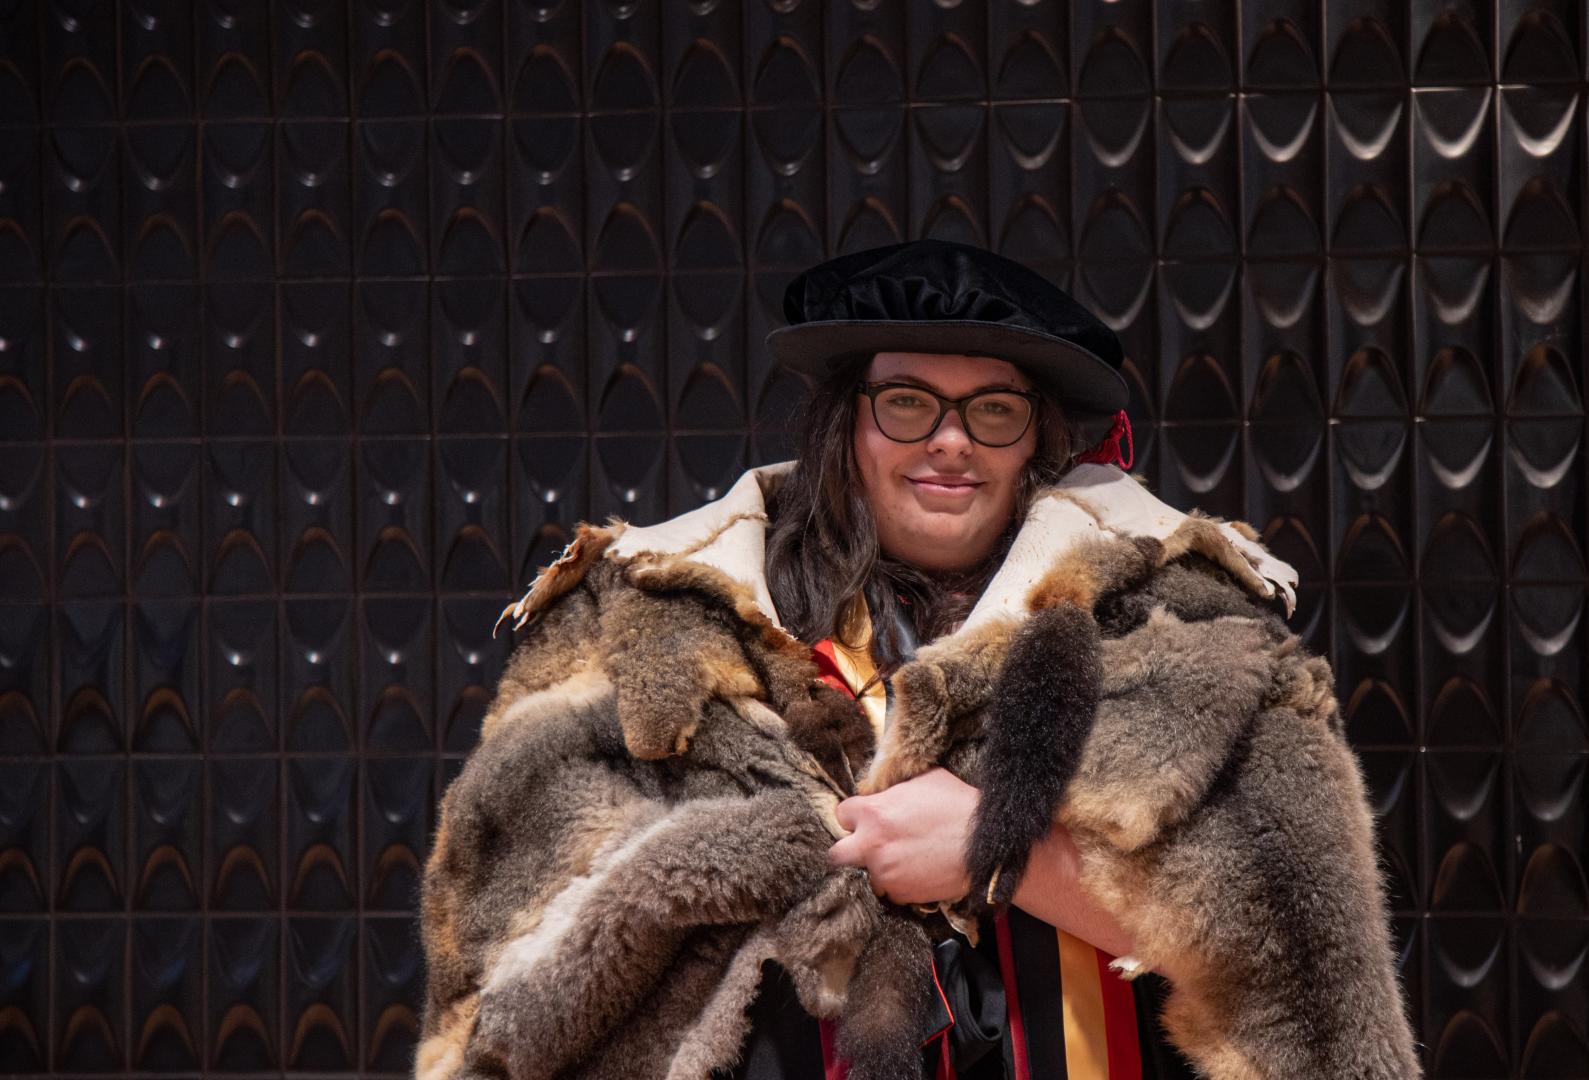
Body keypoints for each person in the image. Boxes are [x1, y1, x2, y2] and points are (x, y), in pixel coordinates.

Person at [415, 240, 1416, 1079]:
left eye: (992, 409)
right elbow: (512, 960)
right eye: (906, 402)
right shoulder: (653, 620)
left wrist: (1002, 854)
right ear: (847, 423)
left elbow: (1308, 967)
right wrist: (752, 855)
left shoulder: (1186, 627)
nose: (949, 443)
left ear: (1037, 441)